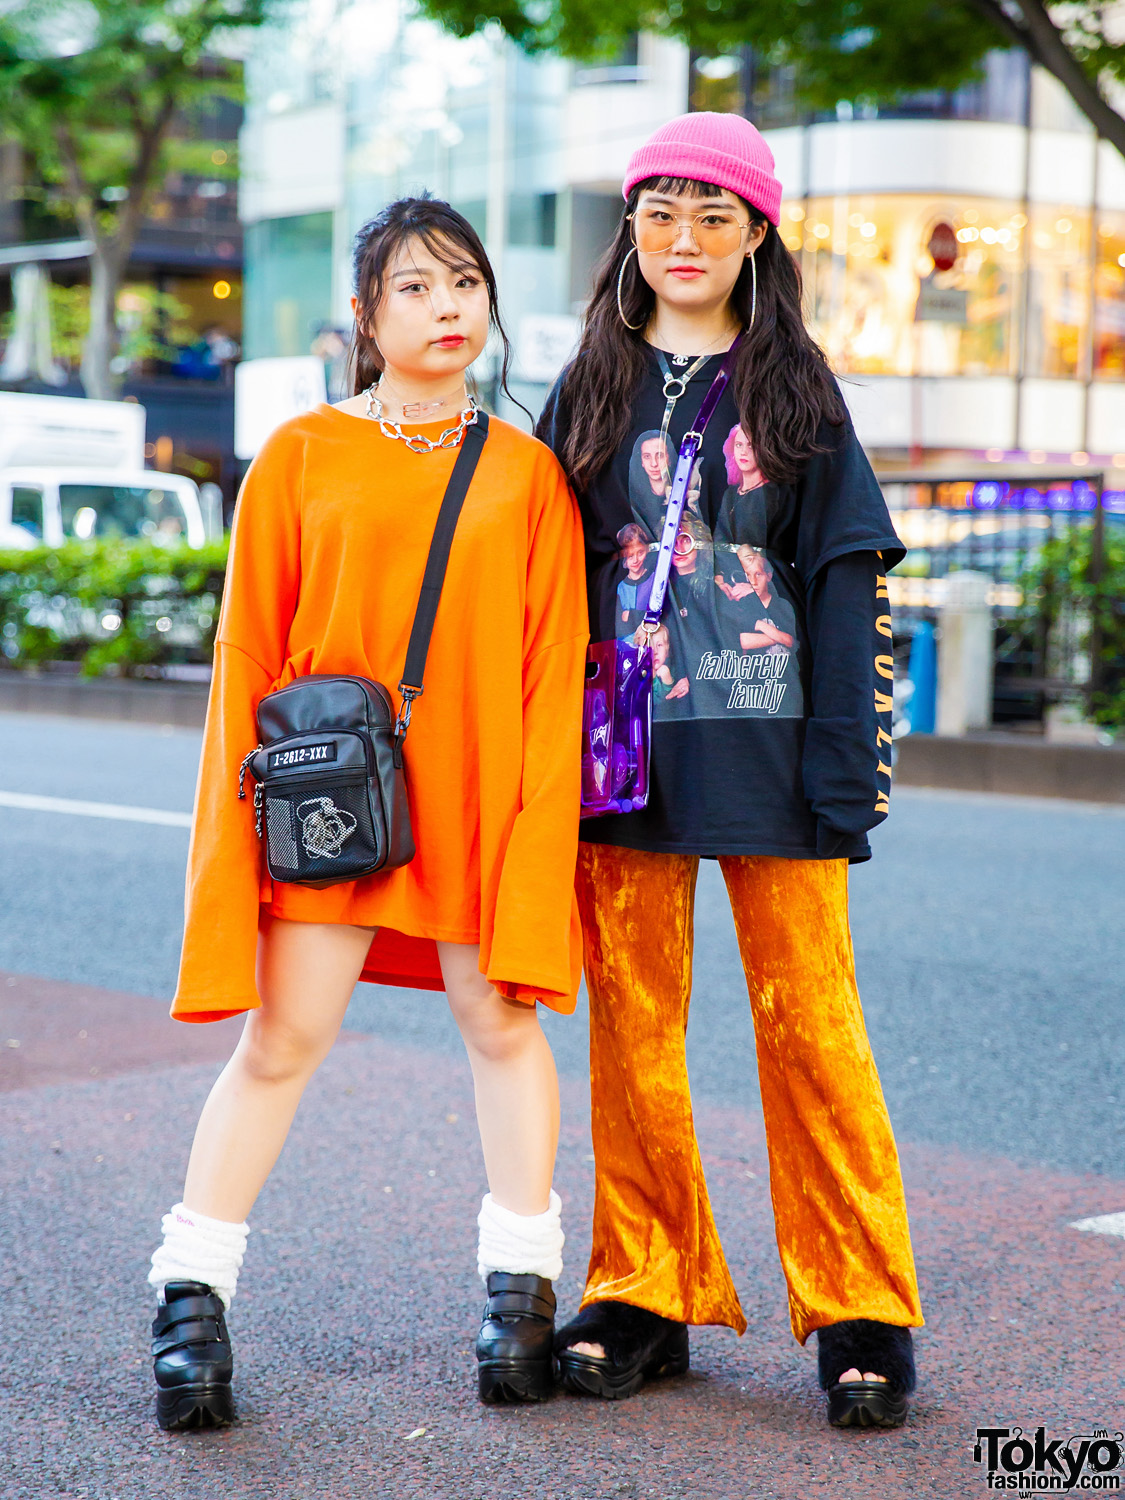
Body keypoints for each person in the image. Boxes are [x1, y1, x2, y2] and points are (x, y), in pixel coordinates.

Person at [147, 195, 588, 1430]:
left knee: (501, 1025)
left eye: (464, 284)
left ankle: (520, 1297)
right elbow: (248, 661)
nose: (447, 308)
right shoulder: (298, 454)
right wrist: (232, 844)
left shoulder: (526, 470)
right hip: (333, 805)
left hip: (482, 797)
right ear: (365, 314)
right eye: (414, 288)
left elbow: (557, 678)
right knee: (281, 1042)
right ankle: (191, 1296)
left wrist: (536, 835)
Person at [537, 111, 923, 1429]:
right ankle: (643, 1291)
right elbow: (534, 580)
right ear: (629, 233)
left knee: (810, 1034)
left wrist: (844, 772)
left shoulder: (798, 390)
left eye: (712, 214)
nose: (681, 239)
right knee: (633, 1039)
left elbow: (846, 578)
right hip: (618, 764)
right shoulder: (586, 385)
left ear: (756, 231)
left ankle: (861, 1310)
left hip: (774, 761)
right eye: (657, 213)